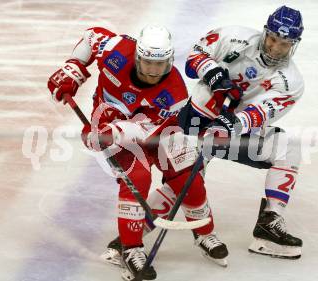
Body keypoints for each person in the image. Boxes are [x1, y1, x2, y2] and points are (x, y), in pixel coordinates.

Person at [118, 5, 303, 260]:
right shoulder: (233, 37)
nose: (275, 48)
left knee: (287, 145)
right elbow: (194, 59)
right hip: (194, 118)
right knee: (185, 179)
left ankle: (268, 224)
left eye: (284, 44)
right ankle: (128, 241)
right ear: (265, 32)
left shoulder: (291, 82)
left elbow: (263, 112)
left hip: (232, 131)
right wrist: (213, 72)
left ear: (294, 44)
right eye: (272, 39)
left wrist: (233, 124)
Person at [47, 25, 228, 281]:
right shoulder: (117, 51)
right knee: (138, 178)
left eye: (161, 64)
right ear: (136, 56)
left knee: (189, 175)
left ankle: (204, 232)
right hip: (110, 129)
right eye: (147, 63)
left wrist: (115, 131)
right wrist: (74, 66)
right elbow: (91, 35)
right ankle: (131, 249)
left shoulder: (174, 91)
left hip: (153, 132)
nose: (154, 71)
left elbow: (151, 132)